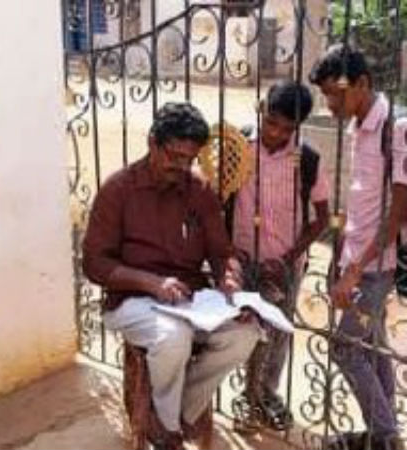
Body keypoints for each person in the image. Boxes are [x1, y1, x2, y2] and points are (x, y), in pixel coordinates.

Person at [82, 102, 261, 450]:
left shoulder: (199, 190)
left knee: (245, 333)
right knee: (173, 335)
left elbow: (222, 253)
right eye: (175, 156)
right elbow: (95, 264)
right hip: (131, 300)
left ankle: (176, 416)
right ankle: (167, 430)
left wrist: (230, 280)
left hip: (189, 300)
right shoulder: (118, 190)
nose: (181, 167)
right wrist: (150, 283)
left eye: (189, 160)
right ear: (153, 142)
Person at [310, 45, 407, 450]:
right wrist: (341, 257)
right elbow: (361, 200)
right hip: (356, 260)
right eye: (326, 95)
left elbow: (397, 211)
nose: (330, 104)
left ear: (362, 83)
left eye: (335, 94)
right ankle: (386, 435)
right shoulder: (358, 127)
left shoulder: (395, 128)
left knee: (345, 347)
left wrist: (355, 269)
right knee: (373, 347)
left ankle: (384, 437)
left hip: (375, 267)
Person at [231, 81, 330, 432]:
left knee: (276, 332)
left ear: (298, 127)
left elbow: (322, 218)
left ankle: (265, 394)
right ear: (262, 109)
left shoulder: (308, 159)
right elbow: (216, 195)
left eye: (287, 128)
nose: (275, 133)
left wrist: (289, 259)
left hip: (284, 263)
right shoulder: (239, 145)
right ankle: (247, 395)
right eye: (271, 122)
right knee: (241, 329)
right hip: (241, 258)